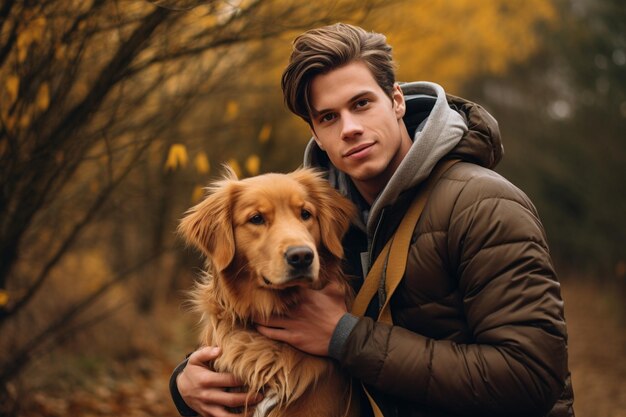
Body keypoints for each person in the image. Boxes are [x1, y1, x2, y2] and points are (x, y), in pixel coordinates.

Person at [170, 23, 574, 417]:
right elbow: (262, 317)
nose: (350, 129)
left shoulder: (484, 204)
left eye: (361, 103)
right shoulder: (317, 213)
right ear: (315, 131)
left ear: (396, 100)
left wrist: (344, 337)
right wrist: (187, 382)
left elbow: (531, 379)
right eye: (328, 117)